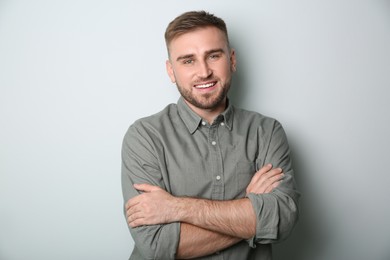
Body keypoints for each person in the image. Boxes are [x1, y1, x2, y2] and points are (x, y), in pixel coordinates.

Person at [121, 10, 300, 260]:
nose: (204, 72)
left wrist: (176, 207)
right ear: (171, 71)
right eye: (188, 60)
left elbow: (281, 220)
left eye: (213, 55)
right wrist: (251, 212)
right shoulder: (144, 136)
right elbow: (157, 245)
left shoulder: (266, 132)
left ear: (232, 60)